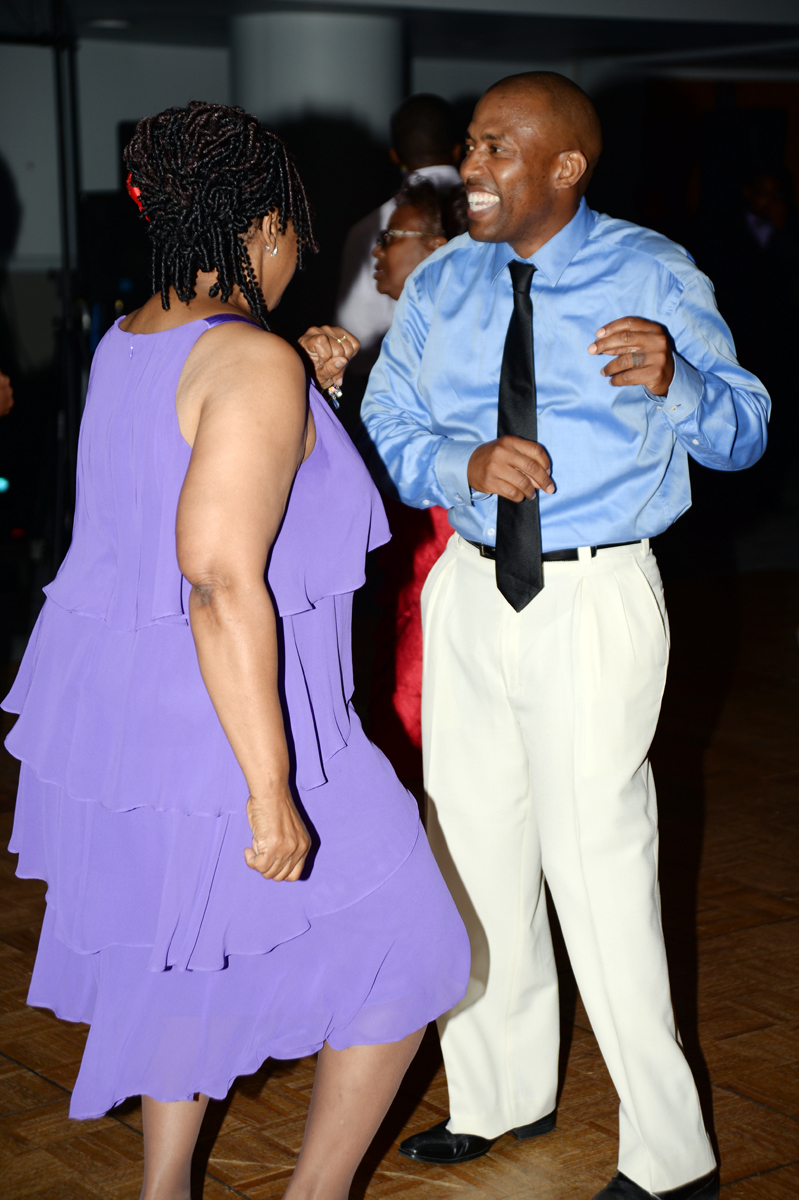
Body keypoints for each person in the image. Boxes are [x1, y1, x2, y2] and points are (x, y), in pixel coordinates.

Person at [3, 101, 469, 1200]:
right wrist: (270, 790)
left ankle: (165, 1188)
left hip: (146, 725)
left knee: (188, 952)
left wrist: (300, 385)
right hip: (259, 720)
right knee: (417, 949)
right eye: (296, 228)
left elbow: (184, 476)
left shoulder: (132, 339)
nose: (299, 252)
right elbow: (217, 579)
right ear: (262, 226)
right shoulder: (249, 362)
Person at [361, 72, 770, 1200]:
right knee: (473, 853)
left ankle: (671, 1156)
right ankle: (498, 1093)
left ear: (565, 167)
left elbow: (744, 430)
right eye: (470, 144)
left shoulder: (652, 272)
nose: (471, 166)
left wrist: (679, 381)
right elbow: (386, 417)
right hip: (469, 590)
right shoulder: (443, 280)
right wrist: (460, 462)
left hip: (593, 593)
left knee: (599, 867)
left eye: (495, 147)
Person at [302, 179, 468, 781]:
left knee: (419, 678)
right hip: (405, 542)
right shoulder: (403, 338)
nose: (376, 251)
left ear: (437, 248)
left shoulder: (455, 340)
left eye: (390, 237)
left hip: (439, 536)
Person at [336, 94, 462, 380]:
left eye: (389, 238)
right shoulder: (500, 215)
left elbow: (355, 339)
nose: (377, 251)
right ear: (458, 150)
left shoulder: (367, 227)